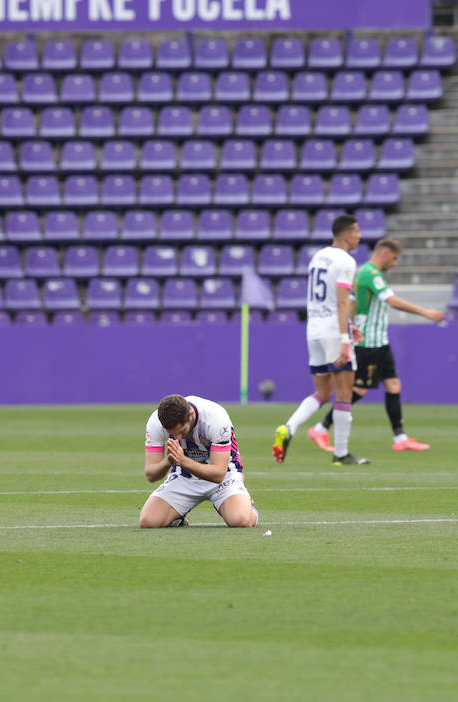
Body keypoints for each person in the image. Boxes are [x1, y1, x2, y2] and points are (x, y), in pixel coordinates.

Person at [309, 238, 446, 453]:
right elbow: (391, 301)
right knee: (358, 390)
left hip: (380, 341)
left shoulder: (365, 274)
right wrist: (426, 312)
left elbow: (352, 303)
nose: (395, 263)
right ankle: (321, 427)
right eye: (394, 258)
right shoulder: (370, 274)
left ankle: (400, 438)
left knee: (393, 386)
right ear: (383, 253)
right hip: (369, 342)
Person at [272, 214, 370, 466]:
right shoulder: (347, 261)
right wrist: (345, 339)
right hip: (333, 332)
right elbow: (340, 301)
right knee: (344, 394)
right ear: (347, 234)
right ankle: (341, 453)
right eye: (357, 231)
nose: (359, 236)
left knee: (322, 392)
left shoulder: (318, 257)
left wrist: (348, 327)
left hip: (314, 329)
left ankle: (289, 427)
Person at [140, 394, 258, 528]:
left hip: (224, 476)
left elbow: (219, 474)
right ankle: (177, 516)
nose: (177, 437)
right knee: (148, 522)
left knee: (240, 520)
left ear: (190, 414)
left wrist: (183, 460)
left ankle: (248, 507)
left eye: (181, 431)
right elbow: (151, 474)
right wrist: (169, 460)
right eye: (172, 434)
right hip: (184, 477)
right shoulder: (156, 423)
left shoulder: (216, 418)